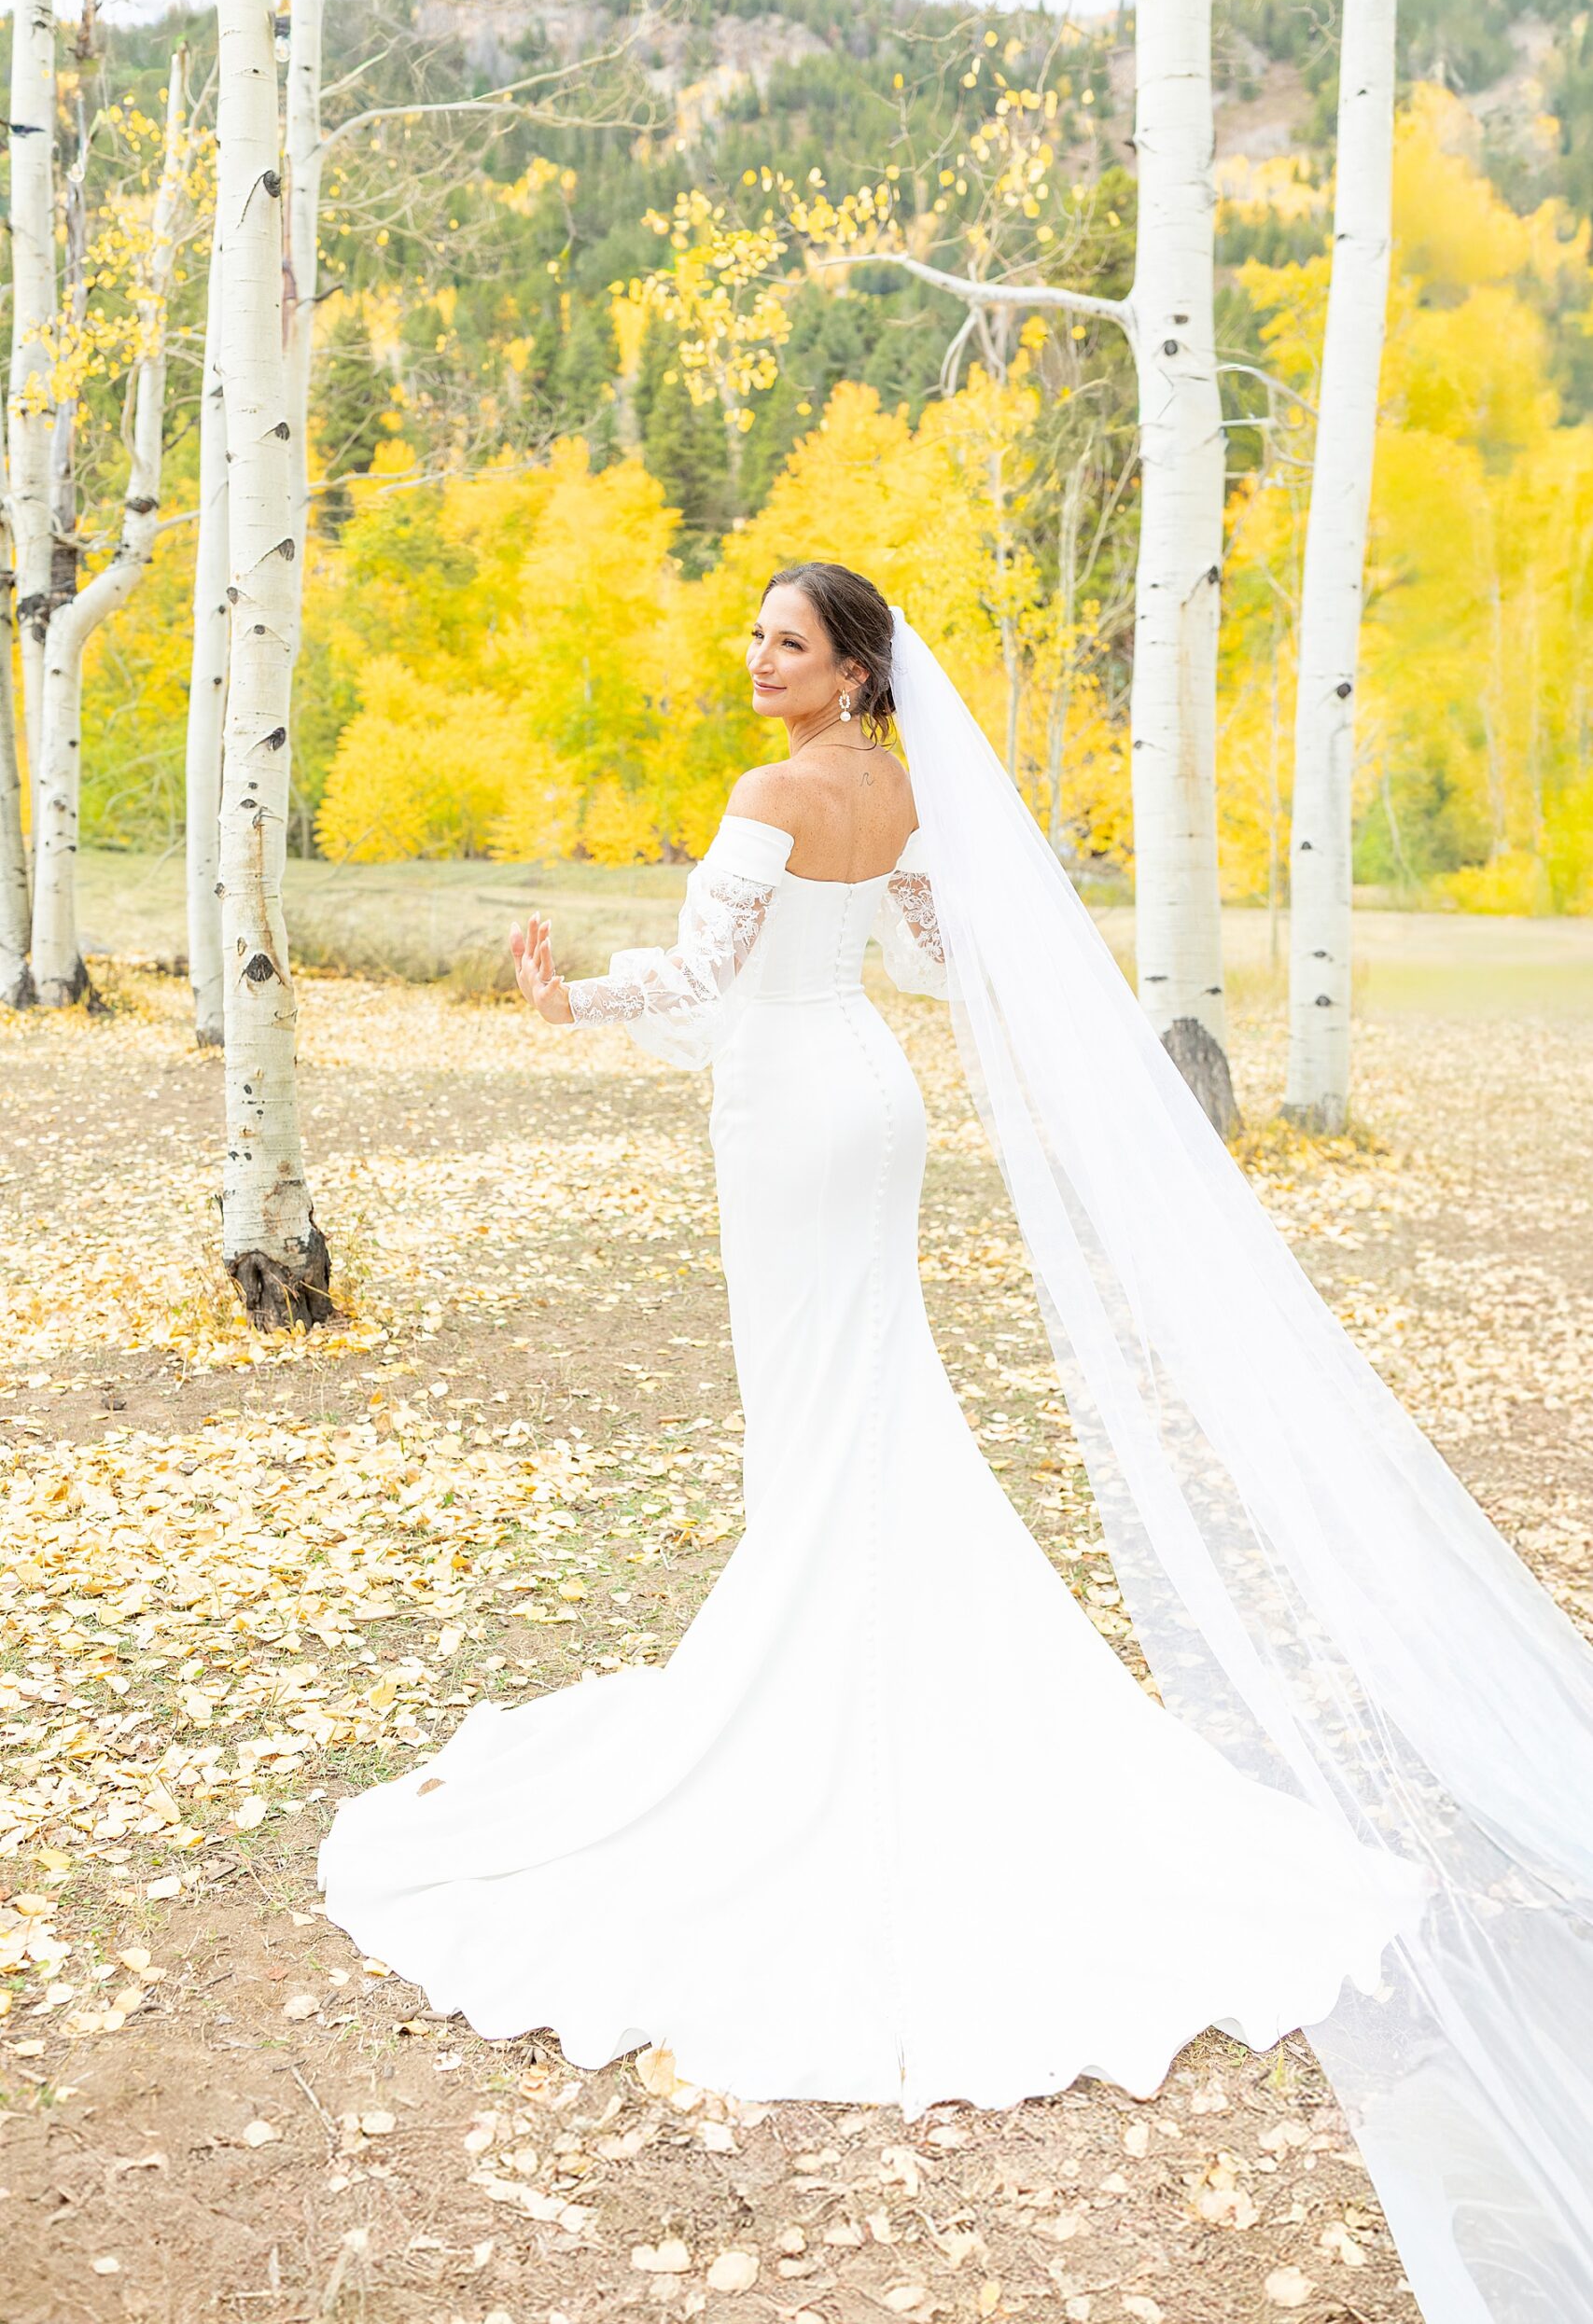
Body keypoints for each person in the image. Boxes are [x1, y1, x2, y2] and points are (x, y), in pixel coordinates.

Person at [321, 570, 1593, 2322]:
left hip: (788, 1117)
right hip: (865, 1097)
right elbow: (924, 956)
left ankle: (818, 1685)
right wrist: (772, 959)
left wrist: (564, 999)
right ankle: (861, 1651)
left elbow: (707, 971)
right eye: (756, 637)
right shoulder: (902, 793)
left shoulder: (772, 794)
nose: (758, 660)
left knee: (827, 1406)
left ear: (852, 671)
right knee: (868, 1398)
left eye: (788, 641)